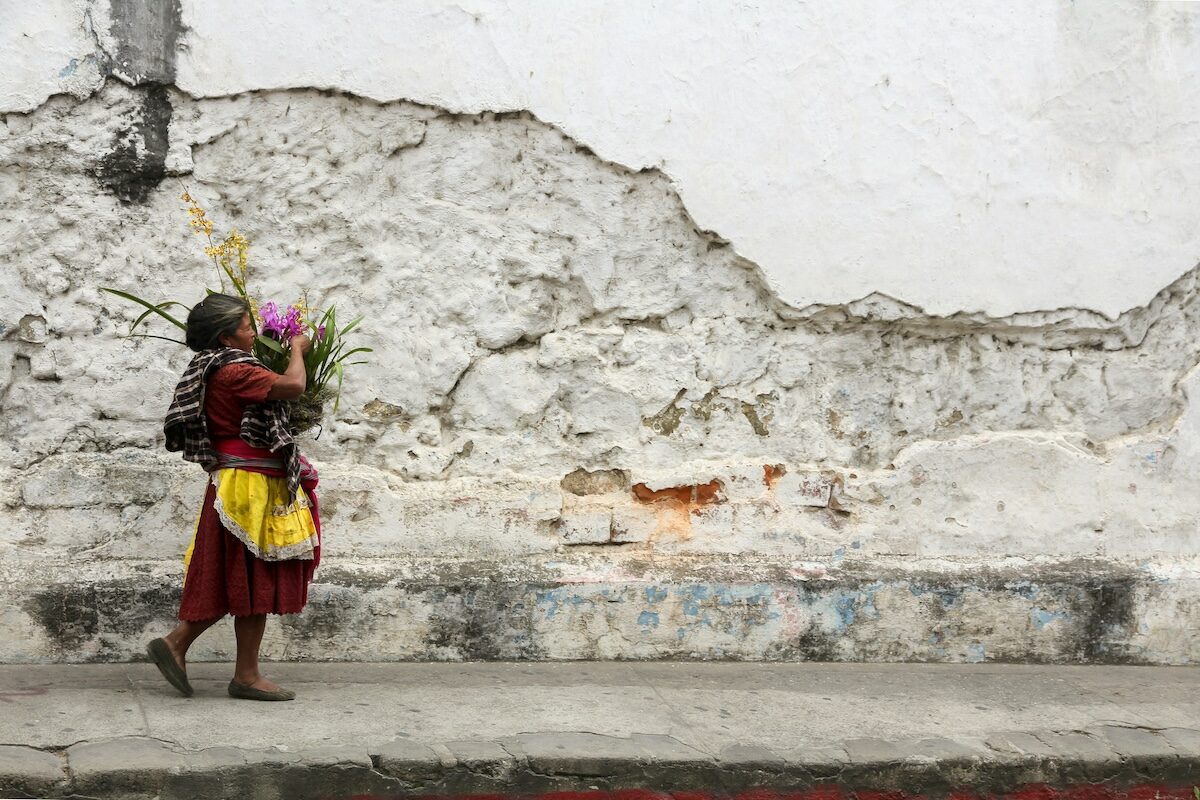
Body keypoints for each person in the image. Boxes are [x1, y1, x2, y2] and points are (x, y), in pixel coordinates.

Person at [146, 293, 319, 701]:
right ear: (226, 337)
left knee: (241, 575)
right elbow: (293, 385)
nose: (253, 332)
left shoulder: (212, 366)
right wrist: (296, 348)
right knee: (251, 574)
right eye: (246, 326)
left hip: (240, 481)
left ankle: (209, 657)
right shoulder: (235, 371)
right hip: (248, 487)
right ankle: (232, 669)